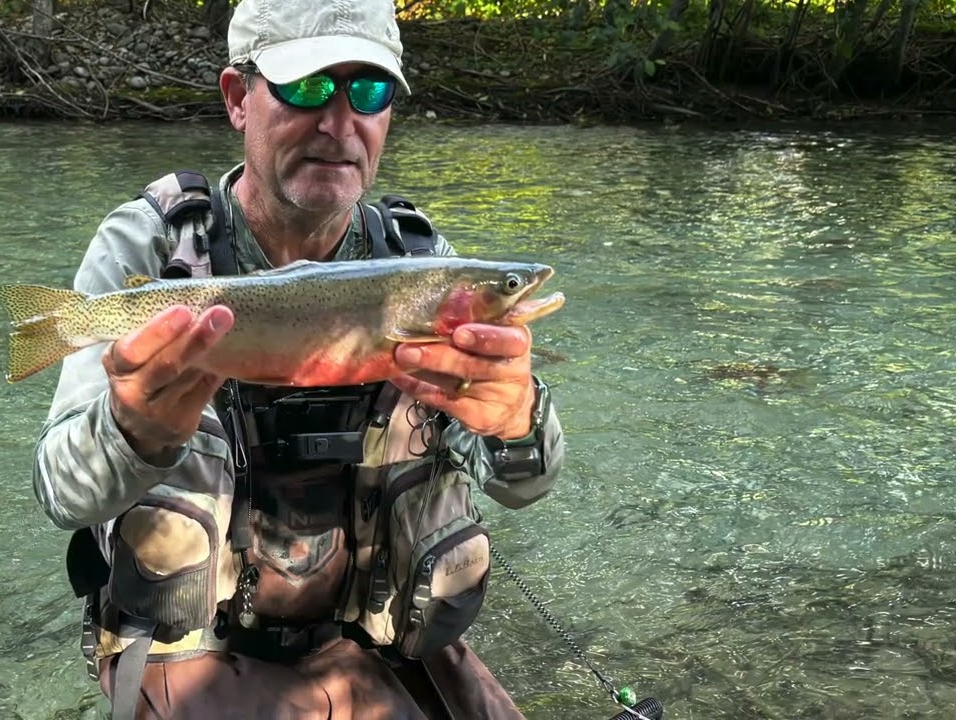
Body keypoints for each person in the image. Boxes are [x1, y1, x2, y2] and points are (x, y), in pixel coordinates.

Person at [29, 0, 566, 717]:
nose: (339, 123)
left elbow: (525, 487)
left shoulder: (422, 267)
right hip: (190, 650)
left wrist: (516, 420)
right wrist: (133, 431)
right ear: (237, 99)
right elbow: (61, 494)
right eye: (307, 86)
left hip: (377, 633)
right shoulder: (150, 248)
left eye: (369, 90)